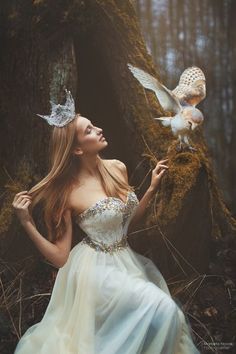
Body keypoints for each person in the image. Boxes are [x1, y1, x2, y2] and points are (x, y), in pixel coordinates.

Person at [12, 90, 200, 353]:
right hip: (95, 272)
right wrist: (26, 223)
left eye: (94, 124)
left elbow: (128, 225)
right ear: (77, 149)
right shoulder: (67, 193)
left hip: (127, 262)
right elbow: (60, 257)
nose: (99, 129)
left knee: (165, 318)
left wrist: (152, 188)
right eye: (89, 130)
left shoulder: (117, 168)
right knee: (163, 308)